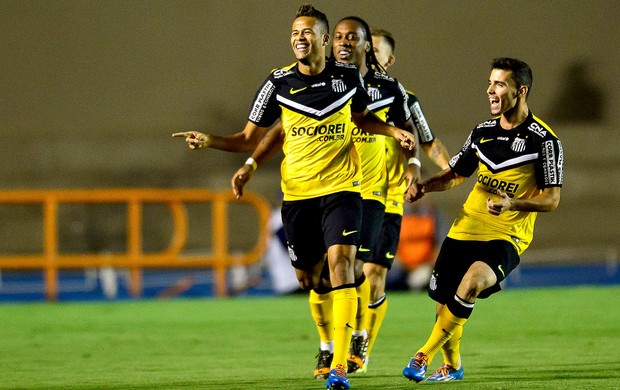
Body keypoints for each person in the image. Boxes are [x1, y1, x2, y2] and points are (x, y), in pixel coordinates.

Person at [227, 5, 415, 390]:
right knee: (313, 278)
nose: (346, 43)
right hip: (302, 194)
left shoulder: (376, 87)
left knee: (357, 271)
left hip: (366, 193)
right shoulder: (291, 84)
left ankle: (347, 356)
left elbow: (401, 130)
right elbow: (268, 132)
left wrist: (407, 154)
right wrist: (243, 160)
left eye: (353, 38)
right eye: (295, 32)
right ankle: (329, 344)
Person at [402, 57, 563, 382]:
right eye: (490, 83)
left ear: (521, 90)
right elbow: (457, 173)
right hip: (466, 229)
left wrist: (512, 203)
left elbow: (551, 199)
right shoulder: (483, 132)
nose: (490, 90)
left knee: (472, 283)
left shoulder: (544, 141)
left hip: (507, 235)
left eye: (499, 84)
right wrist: (426, 186)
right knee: (443, 307)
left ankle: (423, 355)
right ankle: (454, 366)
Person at [351, 28, 451, 372]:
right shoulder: (341, 90)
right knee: (342, 274)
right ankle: (338, 340)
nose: (366, 53)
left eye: (375, 50)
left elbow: (428, 142)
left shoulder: (401, 97)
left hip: (387, 197)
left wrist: (453, 170)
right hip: (344, 195)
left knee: (374, 273)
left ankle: (360, 347)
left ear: (389, 59)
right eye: (365, 48)